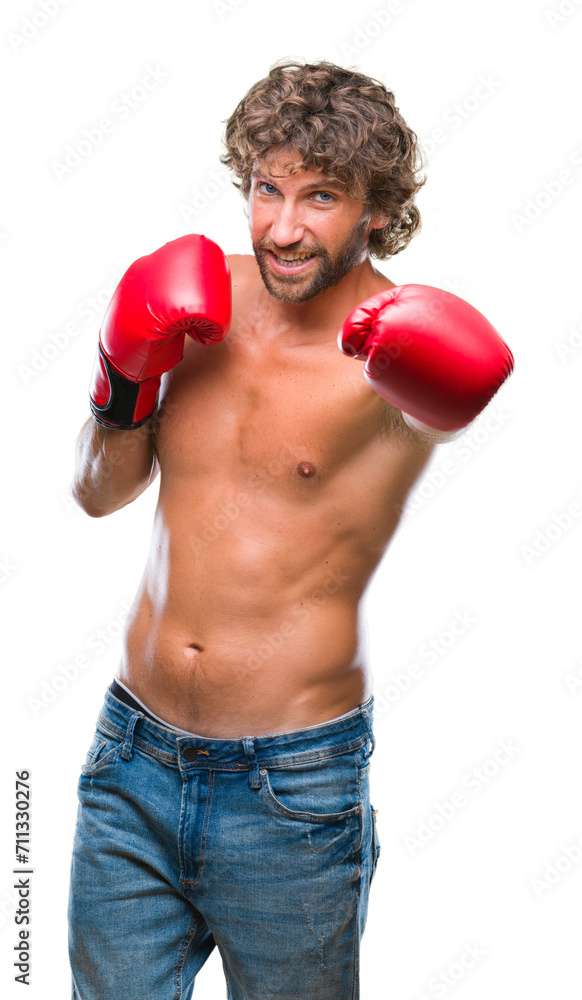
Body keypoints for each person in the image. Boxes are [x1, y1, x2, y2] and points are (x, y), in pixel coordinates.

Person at [67, 60, 514, 1000]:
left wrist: (454, 363)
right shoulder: (195, 305)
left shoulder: (399, 357)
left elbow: (471, 393)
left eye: (320, 196)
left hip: (291, 789)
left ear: (375, 209)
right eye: (266, 188)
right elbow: (96, 495)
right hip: (130, 762)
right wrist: (122, 379)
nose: (282, 226)